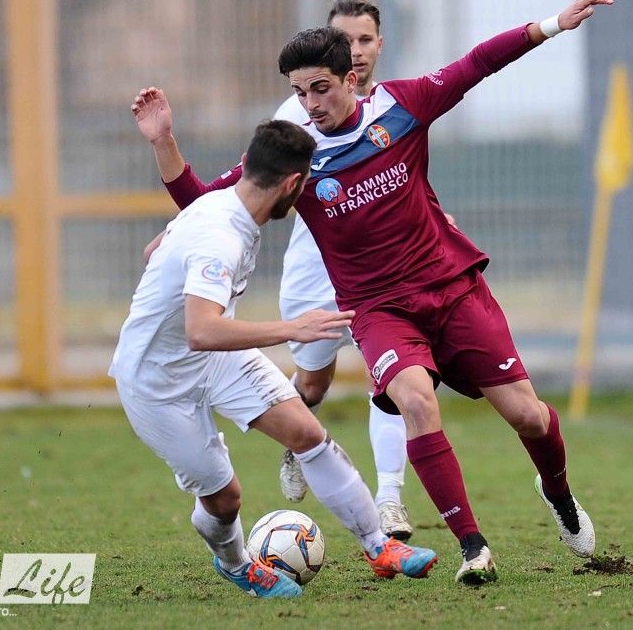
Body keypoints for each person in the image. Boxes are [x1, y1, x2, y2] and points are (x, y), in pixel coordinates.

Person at [153, 0, 615, 585]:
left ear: (351, 78)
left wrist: (549, 26)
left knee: (528, 416)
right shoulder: (294, 153)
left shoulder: (402, 105)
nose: (310, 104)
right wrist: (163, 143)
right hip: (376, 310)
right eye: (299, 92)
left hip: (450, 286)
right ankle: (473, 548)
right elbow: (206, 203)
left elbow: (476, 64)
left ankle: (558, 493)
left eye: (320, 88)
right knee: (416, 402)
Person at [111, 118, 438, 598]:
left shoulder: (220, 209)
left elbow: (152, 250)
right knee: (225, 499)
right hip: (157, 382)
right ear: (292, 184)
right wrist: (293, 328)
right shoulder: (221, 237)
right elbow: (201, 331)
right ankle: (236, 564)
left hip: (214, 360)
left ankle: (379, 546)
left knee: (307, 433)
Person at [270, 0, 414, 542]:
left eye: (364, 39)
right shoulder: (297, 114)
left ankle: (390, 501)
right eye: (344, 40)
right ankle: (297, 435)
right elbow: (253, 188)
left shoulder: (393, 108)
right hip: (315, 270)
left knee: (393, 376)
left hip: (383, 273)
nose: (355, 50)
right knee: (313, 381)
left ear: (379, 45)